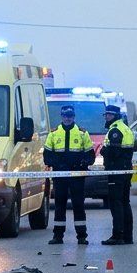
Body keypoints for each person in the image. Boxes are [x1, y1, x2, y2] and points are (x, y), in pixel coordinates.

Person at [43, 104, 95, 245]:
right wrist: (58, 165)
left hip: (77, 176)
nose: (68, 118)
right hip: (60, 175)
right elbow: (47, 156)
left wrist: (82, 164)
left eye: (70, 116)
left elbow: (91, 156)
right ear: (61, 116)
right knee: (60, 205)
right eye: (65, 116)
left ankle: (82, 236)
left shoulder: (82, 133)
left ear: (74, 117)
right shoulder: (53, 133)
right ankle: (58, 236)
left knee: (78, 205)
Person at [99, 104, 136, 245]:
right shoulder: (125, 128)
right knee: (125, 202)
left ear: (114, 116)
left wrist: (103, 151)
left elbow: (114, 152)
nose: (107, 117)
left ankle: (118, 235)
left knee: (116, 203)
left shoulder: (115, 130)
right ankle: (127, 236)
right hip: (125, 170)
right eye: (106, 114)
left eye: (109, 114)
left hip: (117, 171)